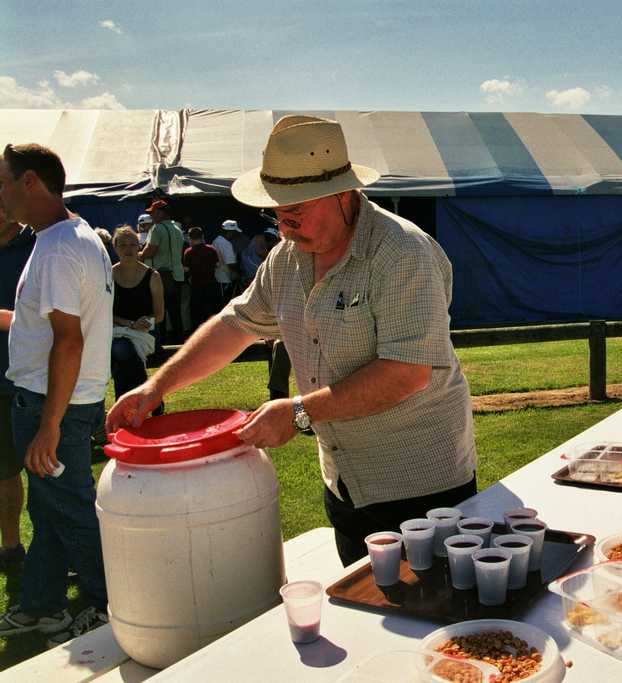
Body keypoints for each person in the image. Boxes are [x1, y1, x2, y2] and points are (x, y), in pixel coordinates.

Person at [107, 115, 477, 566]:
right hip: (345, 480)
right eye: (277, 215)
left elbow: (406, 372)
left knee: (435, 606)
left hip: (420, 487)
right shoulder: (287, 259)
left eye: (295, 214)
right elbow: (235, 324)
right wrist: (156, 387)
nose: (284, 228)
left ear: (343, 196)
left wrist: (300, 412)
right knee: (358, 600)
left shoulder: (401, 253)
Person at [0, 143, 113, 645]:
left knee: (71, 510)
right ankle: (42, 605)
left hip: (54, 407)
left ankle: (111, 605)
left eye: (2, 182)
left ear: (29, 181)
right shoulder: (71, 236)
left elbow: (69, 341)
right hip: (62, 402)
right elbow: (49, 328)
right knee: (49, 511)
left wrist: (48, 425)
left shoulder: (57, 248)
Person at [0, 200, 34, 569]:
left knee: (51, 471)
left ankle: (64, 550)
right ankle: (10, 548)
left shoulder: (40, 245)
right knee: (4, 471)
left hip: (37, 379)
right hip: (0, 383)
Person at [110, 226, 164, 407]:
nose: (128, 249)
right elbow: (105, 313)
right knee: (120, 349)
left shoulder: (153, 276)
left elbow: (159, 315)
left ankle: (124, 403)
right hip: (116, 331)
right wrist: (129, 324)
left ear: (139, 247)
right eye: (123, 245)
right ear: (115, 248)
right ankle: (150, 396)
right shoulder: (108, 275)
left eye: (133, 244)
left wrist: (144, 322)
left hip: (146, 332)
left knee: (121, 351)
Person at [139, 199, 186, 343]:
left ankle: (160, 341)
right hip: (177, 275)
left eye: (153, 213)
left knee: (159, 311)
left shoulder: (157, 228)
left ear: (160, 213)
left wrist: (138, 255)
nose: (151, 216)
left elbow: (150, 252)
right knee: (175, 311)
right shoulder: (177, 228)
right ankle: (179, 340)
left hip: (162, 276)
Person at [182, 226, 221, 329]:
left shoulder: (188, 252)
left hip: (196, 285)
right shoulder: (211, 249)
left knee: (197, 312)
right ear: (202, 236)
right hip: (211, 284)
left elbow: (186, 270)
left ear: (189, 238)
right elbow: (217, 265)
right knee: (212, 310)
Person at [211, 220, 239, 304]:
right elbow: (231, 263)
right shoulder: (226, 244)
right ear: (230, 232)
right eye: (234, 232)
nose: (235, 235)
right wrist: (239, 271)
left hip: (217, 277)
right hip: (225, 278)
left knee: (219, 303)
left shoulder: (215, 240)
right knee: (225, 304)